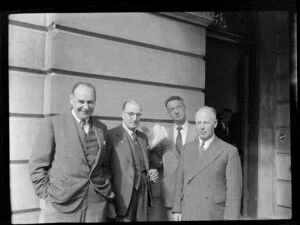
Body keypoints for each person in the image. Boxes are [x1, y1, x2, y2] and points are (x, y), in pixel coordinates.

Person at [28, 82, 114, 223]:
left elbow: (105, 164)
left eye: (90, 102)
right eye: (81, 101)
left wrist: (104, 188)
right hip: (61, 203)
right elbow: (37, 164)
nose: (86, 107)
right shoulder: (53, 123)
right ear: (71, 99)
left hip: (96, 203)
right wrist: (48, 194)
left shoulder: (101, 128)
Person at [172, 106, 242, 221]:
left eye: (206, 122)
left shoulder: (229, 151)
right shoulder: (186, 149)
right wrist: (177, 209)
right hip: (188, 211)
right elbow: (179, 181)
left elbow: (234, 192)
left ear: (215, 124)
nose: (202, 127)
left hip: (214, 213)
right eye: (199, 123)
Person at [108, 100, 159, 222]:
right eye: (131, 114)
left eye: (138, 114)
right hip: (122, 195)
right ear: (122, 114)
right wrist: (109, 200)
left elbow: (147, 163)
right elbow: (105, 169)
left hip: (143, 192)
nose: (135, 118)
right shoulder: (111, 135)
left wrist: (152, 171)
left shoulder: (142, 137)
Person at [160, 96, 197, 221]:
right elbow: (155, 162)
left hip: (194, 194)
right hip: (171, 193)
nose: (176, 111)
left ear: (184, 107)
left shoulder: (198, 131)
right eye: (172, 109)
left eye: (179, 107)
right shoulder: (163, 134)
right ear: (168, 112)